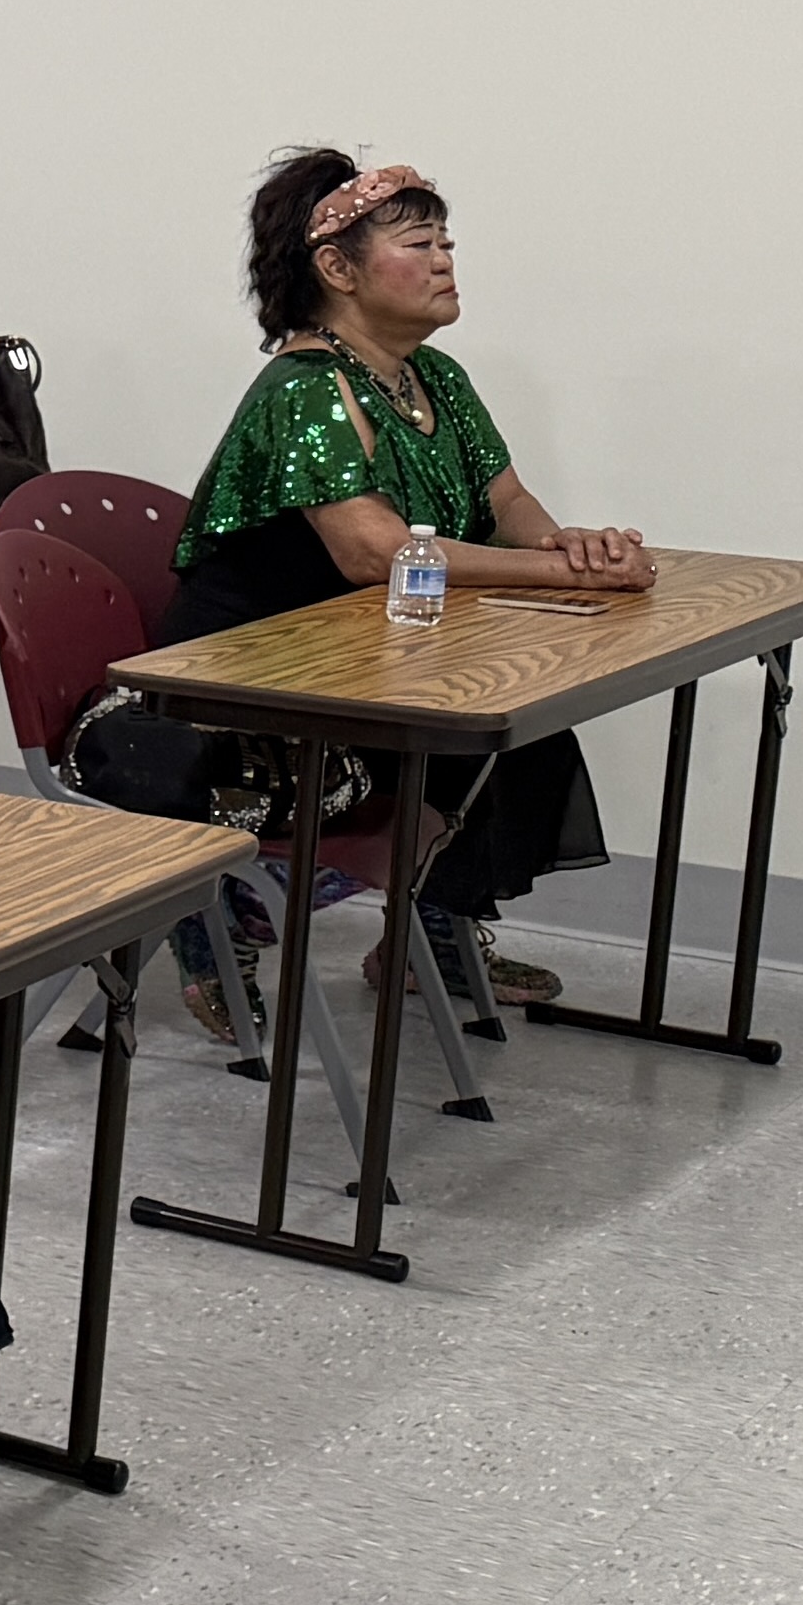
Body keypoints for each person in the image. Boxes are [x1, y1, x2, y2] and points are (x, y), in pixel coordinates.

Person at [167, 150, 638, 1004]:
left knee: (519, 725)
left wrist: (574, 549)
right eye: (419, 244)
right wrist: (552, 572)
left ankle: (428, 938)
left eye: (445, 242)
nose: (444, 259)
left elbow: (505, 500)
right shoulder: (305, 388)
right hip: (253, 687)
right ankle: (219, 917)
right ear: (337, 269)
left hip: (364, 663)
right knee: (471, 729)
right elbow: (376, 553)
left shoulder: (437, 379)